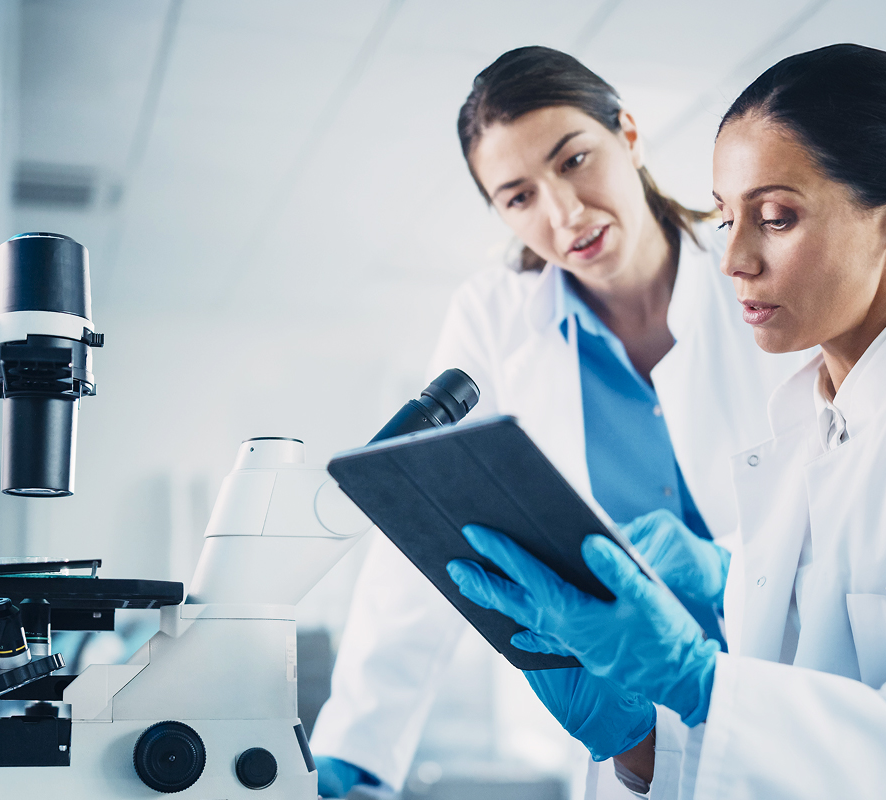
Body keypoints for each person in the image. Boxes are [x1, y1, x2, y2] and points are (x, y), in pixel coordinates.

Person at [448, 43, 886, 798]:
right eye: (726, 219)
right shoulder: (794, 435)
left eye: (776, 217)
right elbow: (784, 751)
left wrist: (698, 686)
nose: (734, 260)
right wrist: (641, 741)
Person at [308, 46, 800, 797]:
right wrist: (360, 747)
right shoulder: (494, 317)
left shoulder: (752, 270)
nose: (563, 213)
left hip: (795, 686)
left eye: (574, 160)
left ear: (628, 136)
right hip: (630, 729)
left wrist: (733, 572)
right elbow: (432, 536)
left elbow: (842, 487)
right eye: (519, 196)